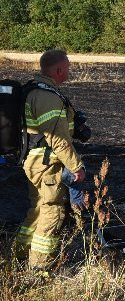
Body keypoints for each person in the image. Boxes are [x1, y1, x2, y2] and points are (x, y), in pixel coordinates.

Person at [13, 49, 86, 269]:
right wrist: (76, 166)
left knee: (37, 209)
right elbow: (57, 140)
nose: (70, 71)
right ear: (59, 69)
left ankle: (19, 256)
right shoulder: (47, 97)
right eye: (68, 67)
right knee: (52, 212)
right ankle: (39, 269)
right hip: (45, 165)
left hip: (33, 162)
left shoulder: (32, 90)